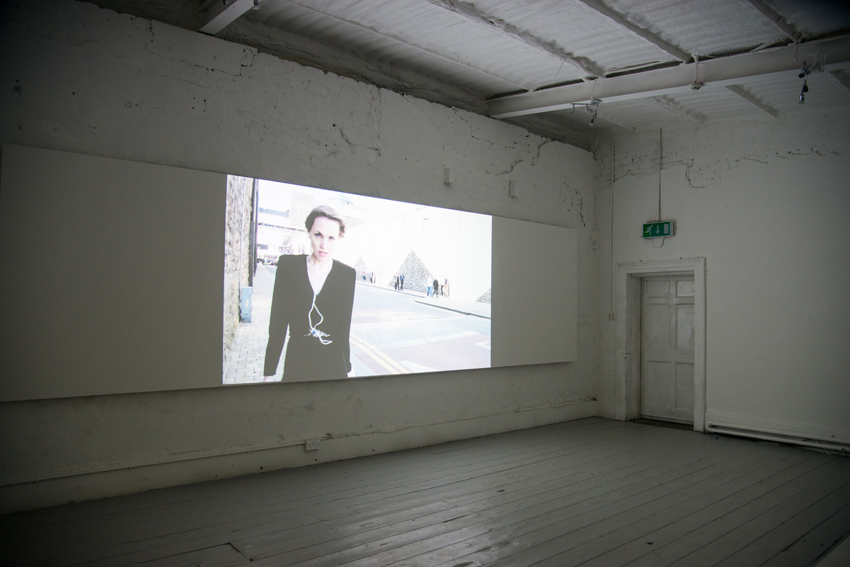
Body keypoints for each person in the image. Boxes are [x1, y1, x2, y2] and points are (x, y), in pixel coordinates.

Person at [263, 205, 356, 382]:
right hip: (297, 365)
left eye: (331, 238)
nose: (324, 245)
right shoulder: (289, 267)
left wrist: (349, 370)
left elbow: (343, 331)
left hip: (333, 369)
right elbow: (277, 326)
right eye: (318, 235)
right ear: (308, 232)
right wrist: (269, 373)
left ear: (339, 238)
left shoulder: (346, 275)